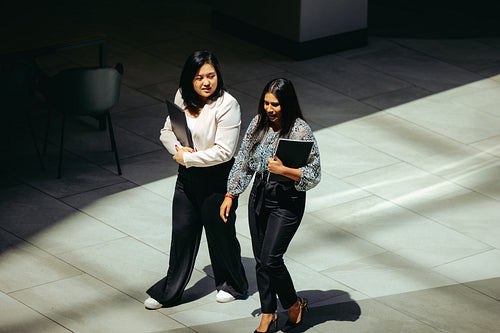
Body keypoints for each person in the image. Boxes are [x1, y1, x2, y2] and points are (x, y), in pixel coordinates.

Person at [144, 50, 248, 309]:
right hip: (187, 177)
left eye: (211, 76)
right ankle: (169, 291)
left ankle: (233, 284)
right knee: (182, 233)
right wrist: (177, 151)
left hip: (218, 179)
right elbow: (167, 131)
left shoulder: (228, 105)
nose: (206, 82)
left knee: (221, 234)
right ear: (189, 79)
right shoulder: (182, 96)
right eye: (199, 77)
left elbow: (225, 152)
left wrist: (188, 158)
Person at [220, 78, 321, 332]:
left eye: (275, 104)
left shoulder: (300, 130)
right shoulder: (258, 125)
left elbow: (314, 173)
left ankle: (293, 303)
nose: (269, 109)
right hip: (261, 195)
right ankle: (268, 314)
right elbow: (243, 160)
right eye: (266, 103)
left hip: (287, 201)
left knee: (271, 259)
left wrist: (285, 170)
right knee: (260, 259)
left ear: (285, 104)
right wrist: (231, 194)